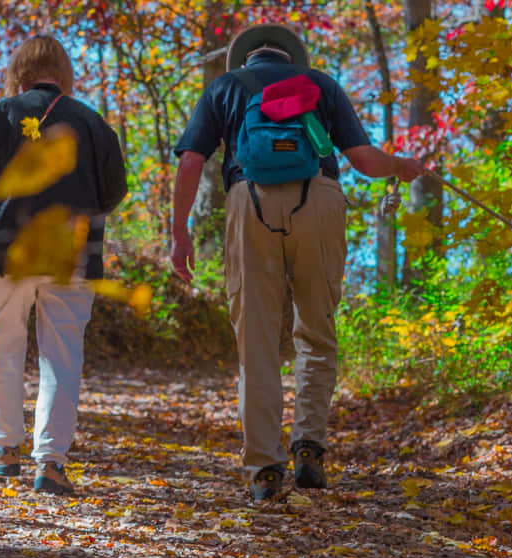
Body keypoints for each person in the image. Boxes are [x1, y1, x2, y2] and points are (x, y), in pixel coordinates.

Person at [170, 24, 426, 502]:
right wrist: (402, 167)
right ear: (293, 57)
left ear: (244, 59)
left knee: (258, 342)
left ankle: (265, 469)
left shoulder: (224, 88)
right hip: (319, 200)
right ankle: (309, 448)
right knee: (316, 330)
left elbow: (190, 163)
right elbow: (365, 162)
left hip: (250, 201)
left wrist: (179, 231)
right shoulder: (321, 84)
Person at [0, 35, 128, 496]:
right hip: (72, 251)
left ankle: (4, 446)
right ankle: (50, 461)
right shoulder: (91, 123)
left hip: (9, 248)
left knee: (5, 342)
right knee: (61, 353)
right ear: (63, 73)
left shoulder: (2, 114)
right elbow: (113, 192)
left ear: (20, 72)